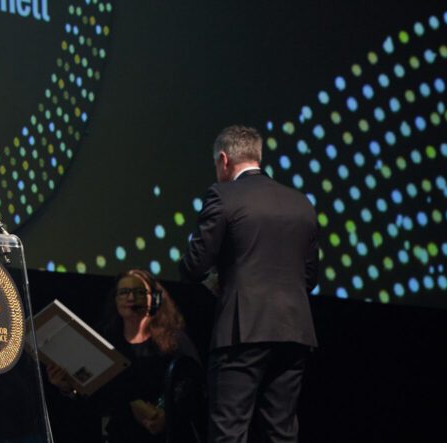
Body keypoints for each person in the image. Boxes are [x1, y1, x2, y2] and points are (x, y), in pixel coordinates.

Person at [180, 125, 319, 443]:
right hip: (294, 332)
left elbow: (194, 265)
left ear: (224, 160)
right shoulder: (301, 203)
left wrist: (215, 280)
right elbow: (310, 277)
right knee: (281, 432)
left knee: (229, 430)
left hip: (242, 330)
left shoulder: (223, 195)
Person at [47, 270, 200, 442]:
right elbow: (96, 397)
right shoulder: (106, 342)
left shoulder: (173, 339)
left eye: (139, 292)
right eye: (124, 292)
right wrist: (68, 387)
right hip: (121, 434)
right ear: (115, 300)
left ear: (154, 299)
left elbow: (192, 381)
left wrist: (166, 413)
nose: (131, 298)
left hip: (169, 434)